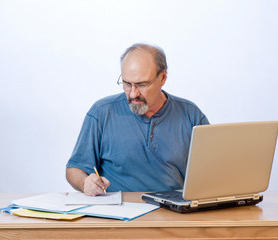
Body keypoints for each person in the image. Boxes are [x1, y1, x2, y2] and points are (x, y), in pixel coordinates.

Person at [66, 43, 209, 196]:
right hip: (118, 212)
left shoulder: (191, 115)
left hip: (173, 212)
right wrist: (85, 183)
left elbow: (214, 169)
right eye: (127, 84)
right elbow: (74, 169)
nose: (133, 94)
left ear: (162, 78)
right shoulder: (102, 112)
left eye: (142, 84)